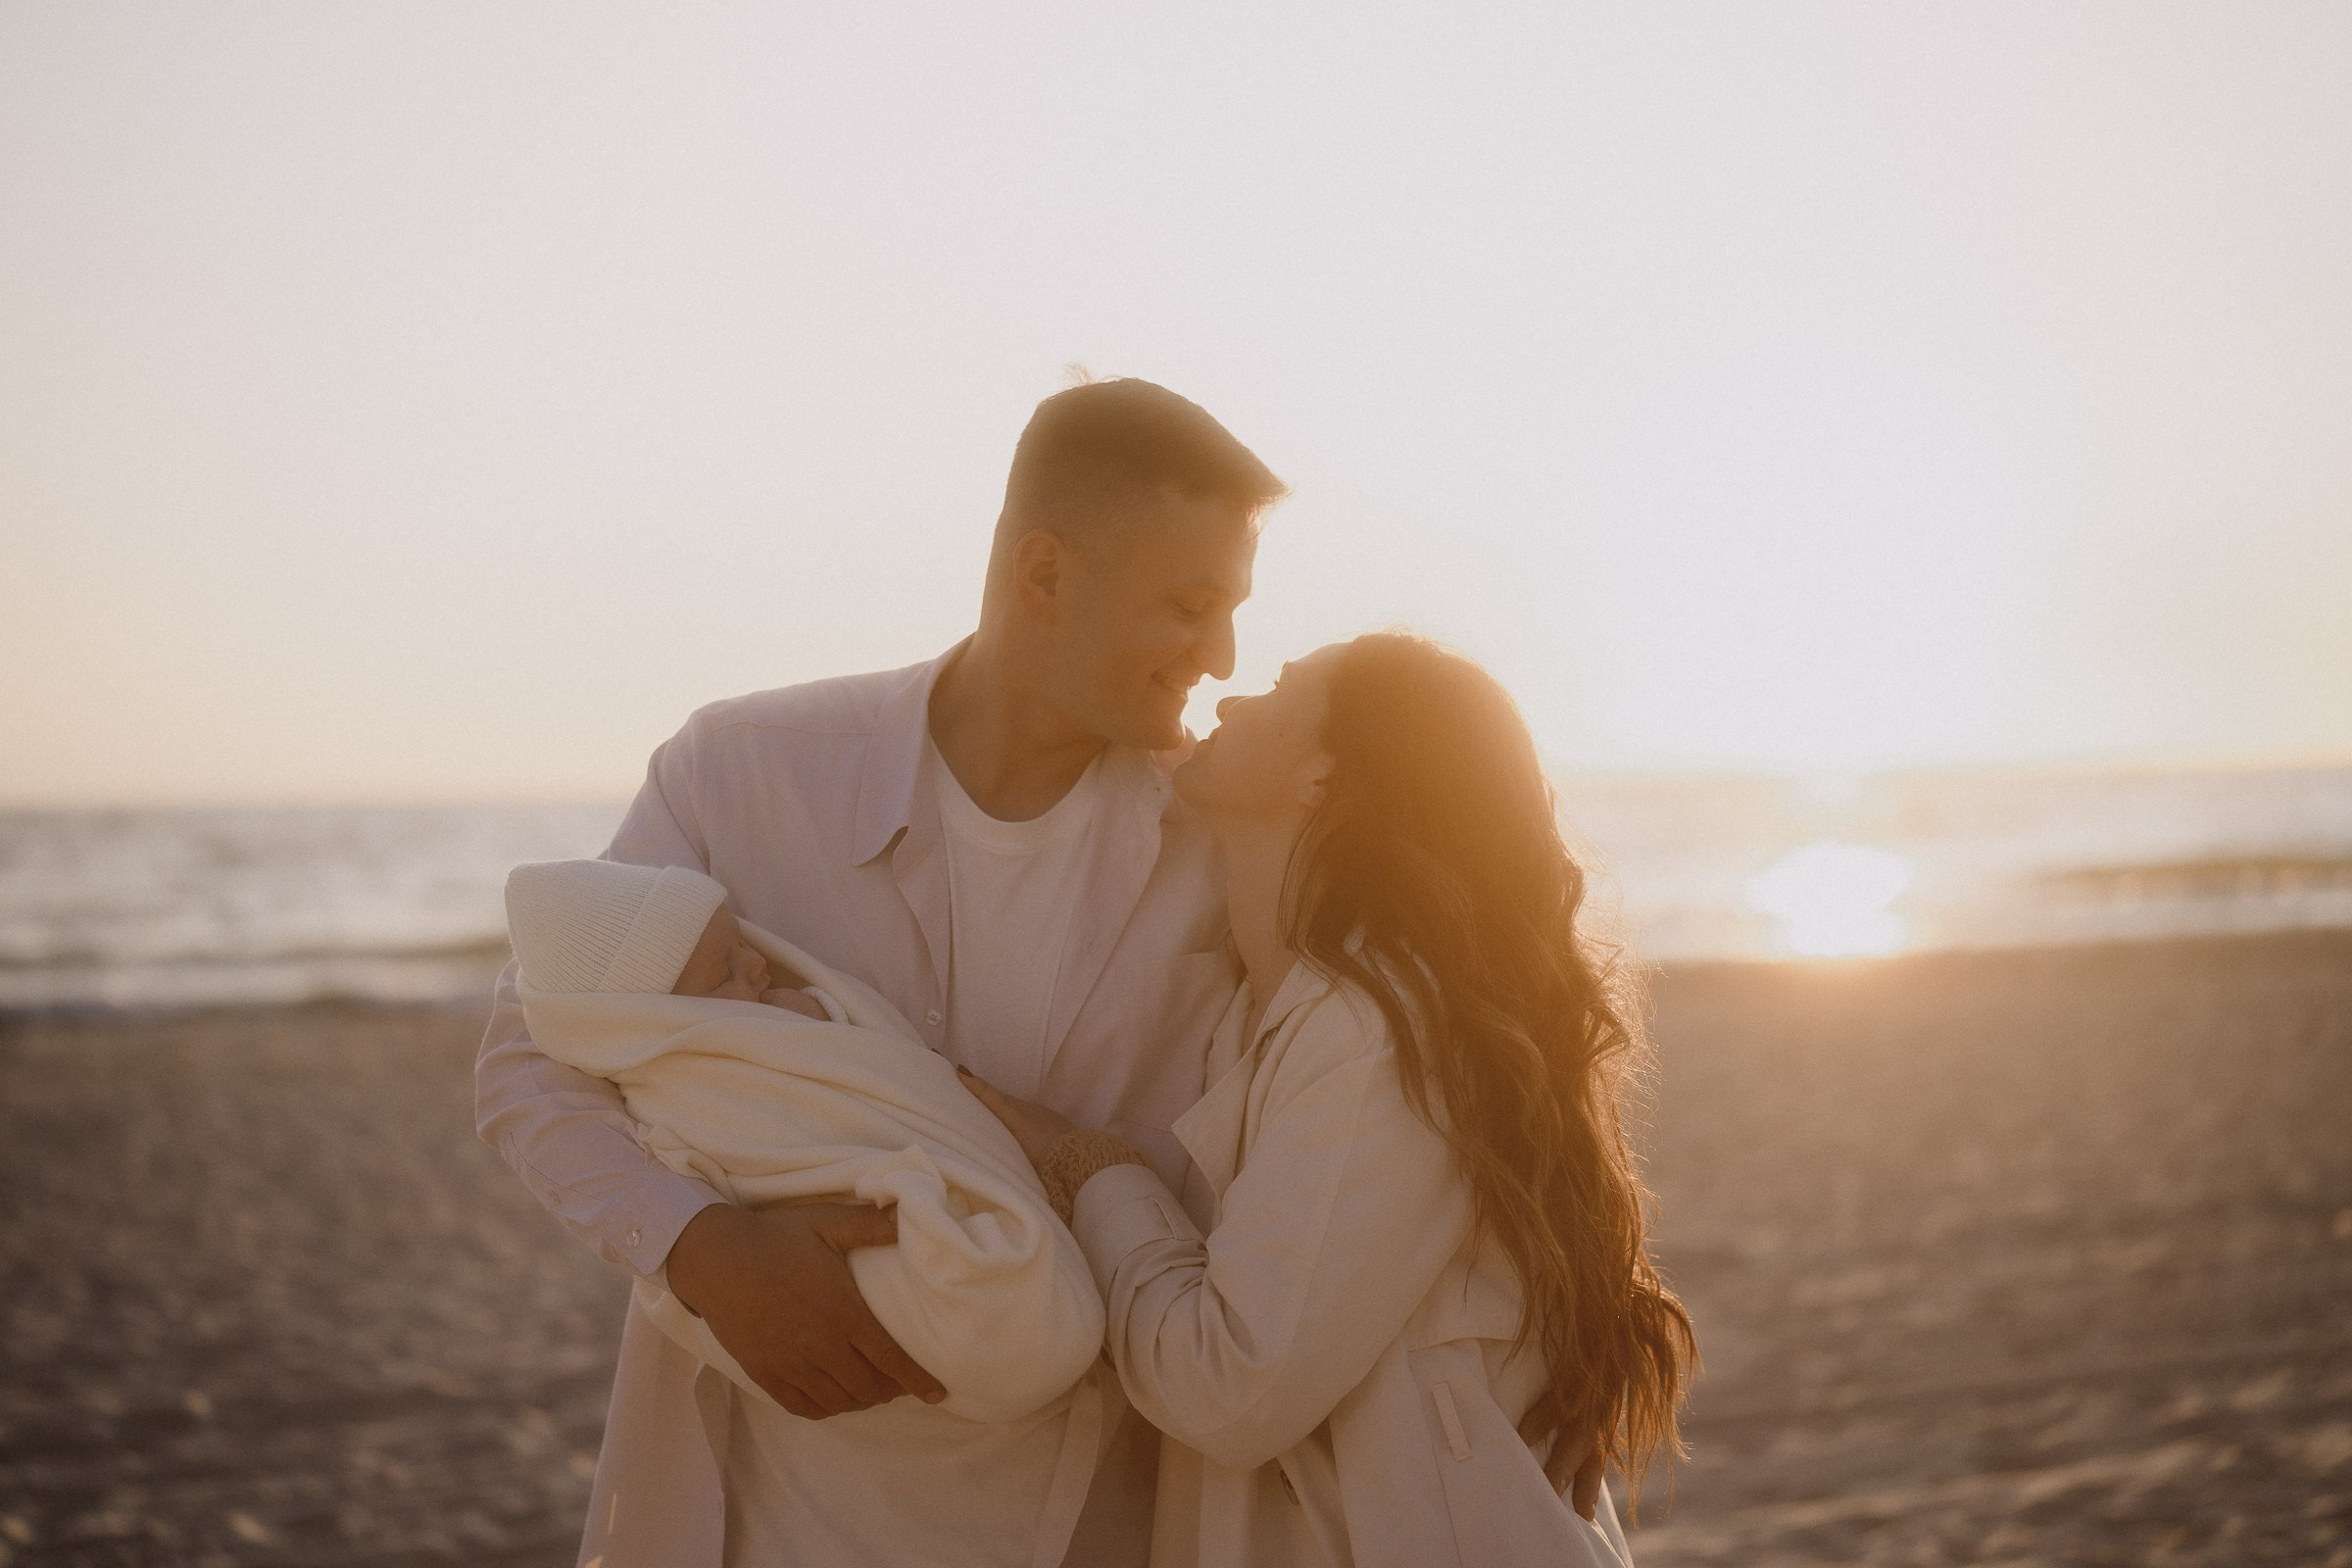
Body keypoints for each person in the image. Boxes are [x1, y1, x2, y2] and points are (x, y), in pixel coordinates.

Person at [474, 376, 1287, 1567]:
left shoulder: (1225, 843)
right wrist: (700, 1248)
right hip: (771, 1516)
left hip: (1089, 1518)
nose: (1220, 656)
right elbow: (528, 1056)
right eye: (1191, 606)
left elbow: (1344, 1101)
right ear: (1045, 574)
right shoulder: (746, 769)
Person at [965, 633, 1698, 1567]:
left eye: (1278, 688)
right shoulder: (1269, 1014)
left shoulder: (1380, 1031)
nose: (1229, 699)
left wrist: (1097, 1173)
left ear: (1323, 776)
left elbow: (1229, 1388)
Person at [499, 857, 1108, 1566]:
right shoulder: (685, 1084)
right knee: (999, 1308)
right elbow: (524, 1071)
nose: (759, 966)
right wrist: (704, 1245)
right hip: (836, 1485)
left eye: (743, 944)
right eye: (727, 973)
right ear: (660, 1021)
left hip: (1107, 1473)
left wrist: (820, 1022)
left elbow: (868, 1074)